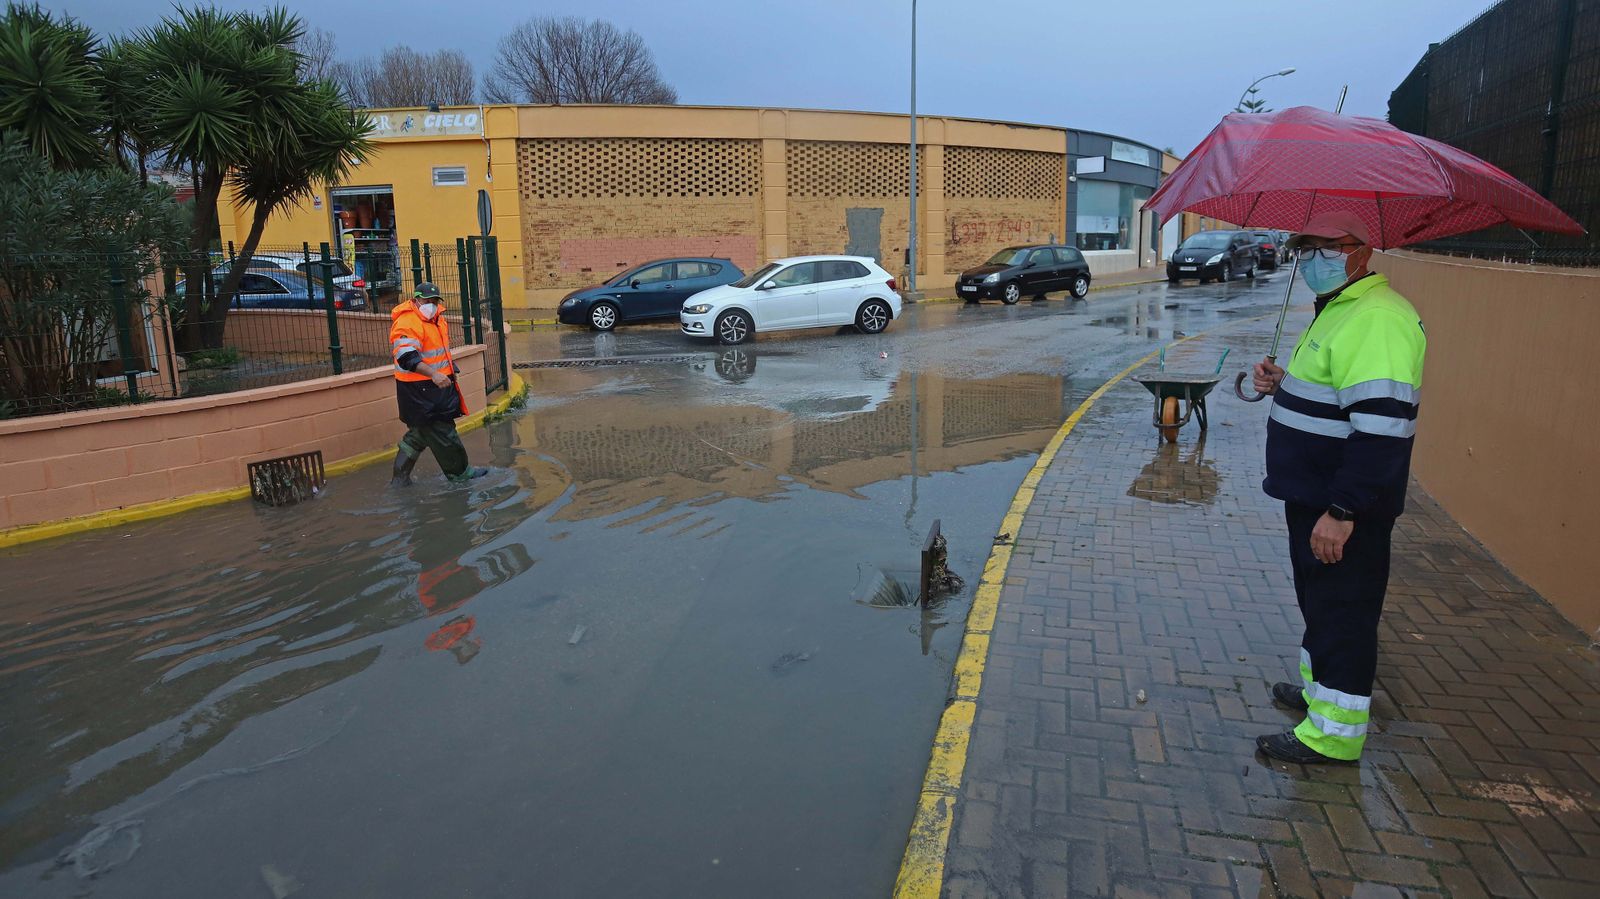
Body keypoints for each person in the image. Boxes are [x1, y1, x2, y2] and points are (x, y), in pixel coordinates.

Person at [1249, 210, 1426, 765]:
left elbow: (1382, 428)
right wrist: (1281, 386)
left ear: (1362, 251)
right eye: (1307, 249)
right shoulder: (1339, 310)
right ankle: (1319, 696)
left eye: (1329, 248)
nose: (1314, 260)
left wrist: (1344, 509)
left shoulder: (1377, 319)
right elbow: (1334, 398)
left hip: (1341, 506)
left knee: (1345, 614)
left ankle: (1333, 737)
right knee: (1321, 606)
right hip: (1313, 496)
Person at [389, 282, 487, 485]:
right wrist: (433, 374)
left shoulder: (437, 320)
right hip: (421, 392)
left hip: (433, 391)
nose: (431, 304)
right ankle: (460, 474)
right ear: (416, 299)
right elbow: (406, 356)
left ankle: (400, 479)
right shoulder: (407, 322)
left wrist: (451, 370)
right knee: (444, 433)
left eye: (435, 301)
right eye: (427, 300)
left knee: (418, 435)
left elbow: (438, 351)